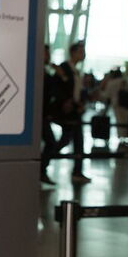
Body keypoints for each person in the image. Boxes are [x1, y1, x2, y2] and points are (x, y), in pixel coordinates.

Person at [51, 41, 90, 183]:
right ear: (73, 52)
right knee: (67, 139)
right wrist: (68, 102)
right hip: (67, 111)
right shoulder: (65, 68)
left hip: (75, 110)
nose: (83, 54)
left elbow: (76, 91)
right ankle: (45, 159)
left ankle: (77, 171)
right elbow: (58, 88)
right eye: (80, 51)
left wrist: (80, 102)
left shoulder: (76, 71)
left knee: (77, 141)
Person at [41, 43, 60, 184]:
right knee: (51, 142)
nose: (48, 56)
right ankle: (41, 170)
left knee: (51, 143)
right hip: (41, 117)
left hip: (44, 115)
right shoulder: (41, 74)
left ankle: (41, 170)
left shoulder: (46, 73)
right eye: (46, 53)